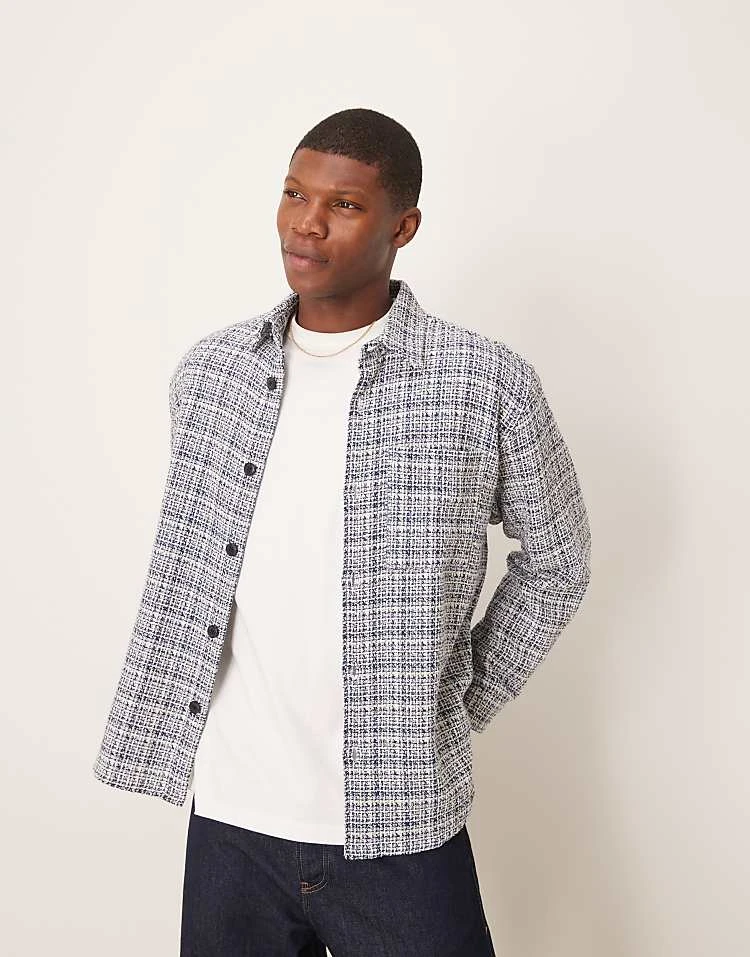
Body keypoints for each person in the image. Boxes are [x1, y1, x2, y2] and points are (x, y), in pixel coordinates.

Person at [93, 107, 592, 956]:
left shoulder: (482, 382)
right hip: (232, 820)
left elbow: (560, 561)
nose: (306, 222)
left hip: (401, 817)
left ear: (404, 226)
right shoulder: (213, 374)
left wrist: (461, 695)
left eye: (344, 204)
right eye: (294, 193)